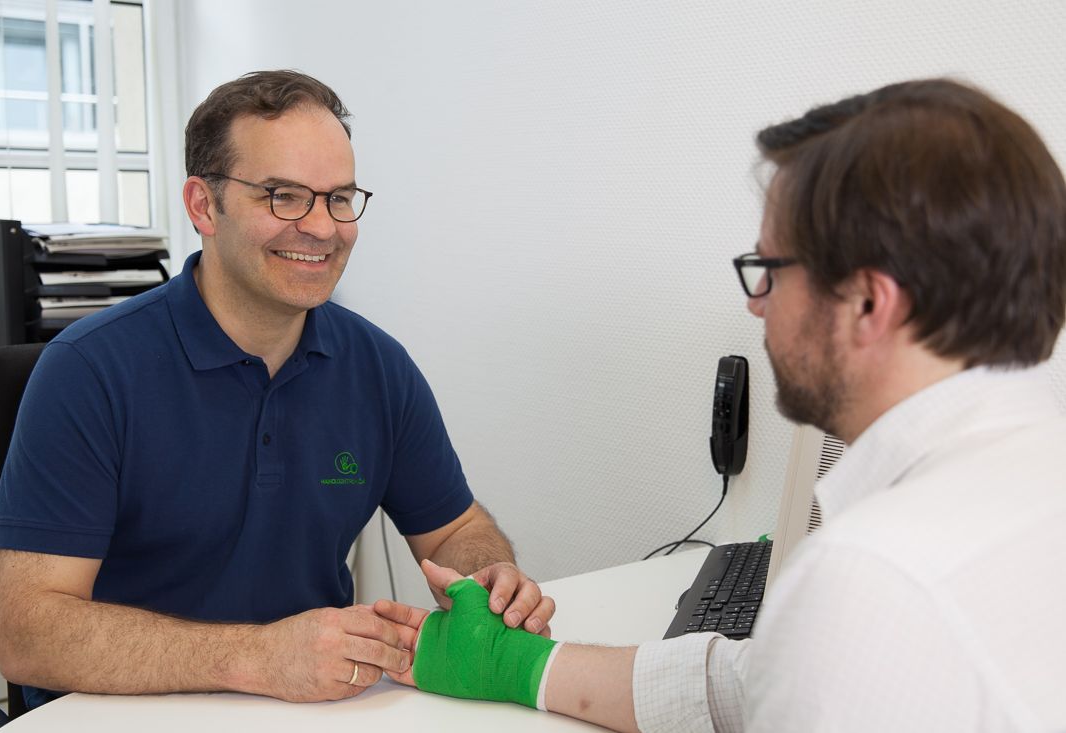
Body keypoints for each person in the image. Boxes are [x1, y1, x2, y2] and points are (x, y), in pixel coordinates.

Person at [374, 78, 1066, 732]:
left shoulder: (877, 579)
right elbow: (759, 680)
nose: (754, 302)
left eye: (769, 269)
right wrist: (521, 667)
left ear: (866, 302)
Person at [0, 70, 554, 710]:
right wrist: (259, 656)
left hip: (310, 708)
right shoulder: (88, 371)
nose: (321, 226)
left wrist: (489, 577)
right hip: (116, 714)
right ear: (204, 206)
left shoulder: (378, 366)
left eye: (339, 197)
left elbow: (458, 527)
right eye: (284, 195)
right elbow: (27, 633)